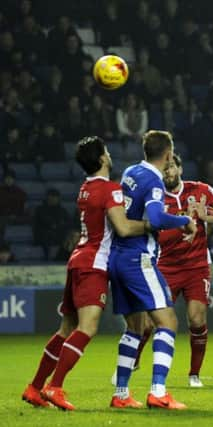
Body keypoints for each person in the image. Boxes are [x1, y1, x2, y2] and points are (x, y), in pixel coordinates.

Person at [22, 136, 151, 410]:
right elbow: (124, 228)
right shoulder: (109, 189)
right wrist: (153, 225)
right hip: (94, 263)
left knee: (65, 328)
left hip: (77, 260)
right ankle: (54, 387)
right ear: (103, 159)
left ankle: (34, 387)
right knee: (87, 327)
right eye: (106, 151)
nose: (109, 154)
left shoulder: (85, 188)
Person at [116, 153, 213, 388]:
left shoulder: (201, 190)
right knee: (148, 324)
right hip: (164, 265)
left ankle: (194, 374)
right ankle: (131, 361)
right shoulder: (153, 196)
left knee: (196, 319)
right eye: (165, 168)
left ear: (180, 169)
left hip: (197, 267)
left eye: (172, 167)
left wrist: (209, 217)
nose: (168, 172)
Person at [108, 130, 196, 410]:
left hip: (117, 257)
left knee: (135, 328)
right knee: (167, 322)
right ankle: (158, 391)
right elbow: (156, 218)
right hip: (138, 257)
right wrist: (183, 219)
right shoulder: (154, 180)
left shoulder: (130, 172)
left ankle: (121, 394)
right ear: (168, 155)